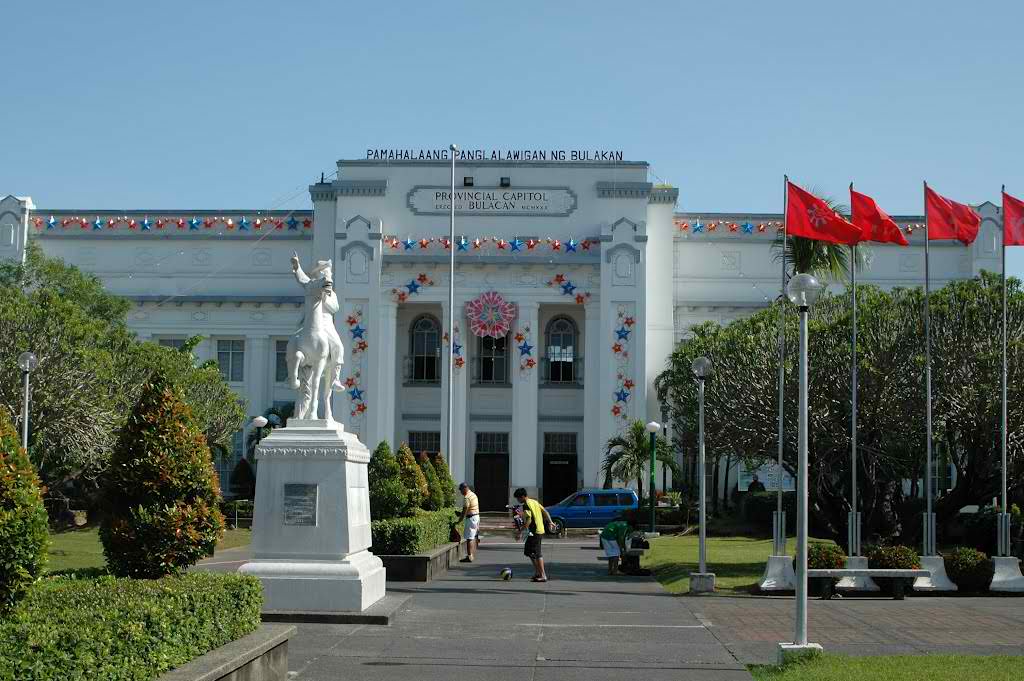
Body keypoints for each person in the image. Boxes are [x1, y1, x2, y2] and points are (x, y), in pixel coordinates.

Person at [514, 487, 555, 582]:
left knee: (537, 553)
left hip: (535, 531)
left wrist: (520, 531)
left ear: (523, 496)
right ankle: (537, 572)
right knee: (529, 551)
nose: (518, 500)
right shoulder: (534, 502)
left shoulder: (526, 504)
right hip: (537, 530)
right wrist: (550, 522)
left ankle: (543, 575)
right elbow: (545, 511)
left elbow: (529, 520)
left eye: (518, 498)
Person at [458, 482, 480, 563]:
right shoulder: (473, 494)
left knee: (469, 538)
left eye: (461, 490)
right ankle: (471, 555)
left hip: (471, 519)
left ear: (464, 488)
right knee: (473, 536)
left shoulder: (467, 497)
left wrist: (460, 520)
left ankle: (469, 556)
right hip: (476, 517)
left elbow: (465, 509)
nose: (461, 492)